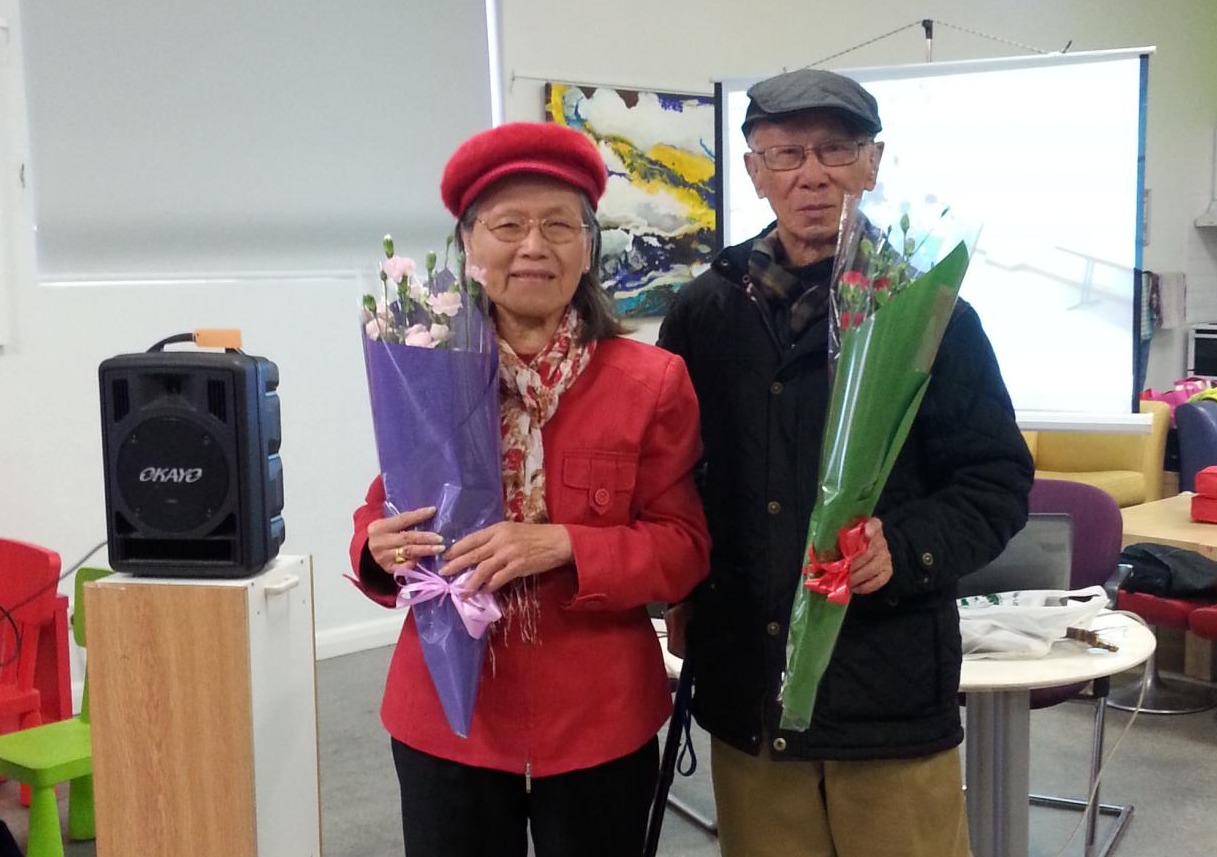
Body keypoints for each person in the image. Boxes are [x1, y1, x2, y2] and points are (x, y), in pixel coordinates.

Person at [658, 68, 1034, 857]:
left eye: (836, 149)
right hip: (751, 694)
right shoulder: (704, 312)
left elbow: (996, 482)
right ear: (755, 171)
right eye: (786, 153)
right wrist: (683, 592)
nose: (813, 174)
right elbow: (680, 479)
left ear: (873, 162)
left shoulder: (930, 311)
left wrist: (906, 545)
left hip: (887, 696)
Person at [349, 122, 710, 857]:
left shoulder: (649, 382)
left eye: (559, 226)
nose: (533, 247)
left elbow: (684, 549)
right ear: (469, 246)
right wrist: (377, 545)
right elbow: (386, 501)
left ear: (589, 247)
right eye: (508, 226)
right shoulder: (427, 370)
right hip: (449, 715)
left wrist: (564, 544)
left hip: (597, 721)